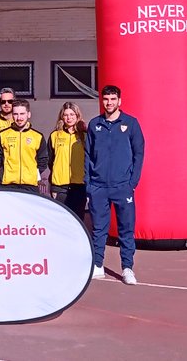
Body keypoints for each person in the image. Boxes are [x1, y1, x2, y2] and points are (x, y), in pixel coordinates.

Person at [86, 85, 145, 285]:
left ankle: (127, 268)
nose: (109, 103)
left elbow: (139, 154)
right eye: (106, 99)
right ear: (102, 101)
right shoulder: (95, 125)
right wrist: (89, 184)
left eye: (113, 99)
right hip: (98, 187)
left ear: (119, 101)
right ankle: (97, 264)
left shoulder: (131, 123)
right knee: (99, 229)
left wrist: (132, 183)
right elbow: (87, 156)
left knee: (126, 229)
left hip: (122, 187)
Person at [0, 99, 48, 194]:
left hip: (30, 186)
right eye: (16, 114)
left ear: (28, 114)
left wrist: (33, 174)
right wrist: (2, 170)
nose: (19, 118)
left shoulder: (38, 136)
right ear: (12, 115)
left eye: (22, 114)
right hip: (7, 185)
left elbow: (43, 159)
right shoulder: (3, 135)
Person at [48, 102, 88, 220]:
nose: (69, 118)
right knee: (61, 219)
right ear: (62, 117)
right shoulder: (55, 135)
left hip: (79, 184)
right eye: (66, 115)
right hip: (60, 185)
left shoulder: (85, 136)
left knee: (78, 218)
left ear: (77, 116)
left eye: (72, 114)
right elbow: (51, 160)